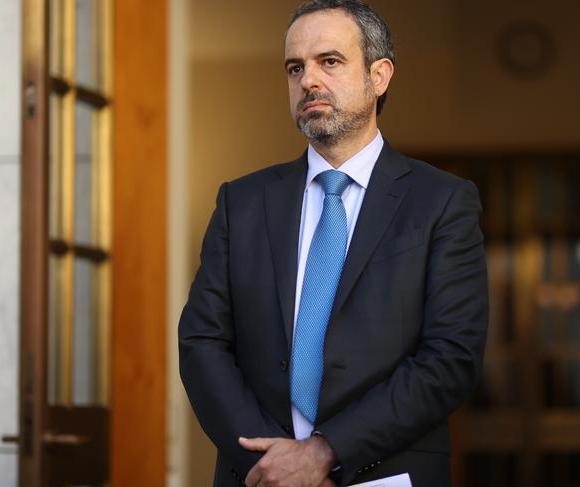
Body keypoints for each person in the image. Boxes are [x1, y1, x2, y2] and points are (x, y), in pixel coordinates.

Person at [178, 1, 488, 485]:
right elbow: (203, 343)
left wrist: (324, 453)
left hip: (386, 473)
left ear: (379, 75)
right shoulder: (241, 202)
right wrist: (273, 464)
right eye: (295, 67)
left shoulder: (441, 202)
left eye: (330, 61)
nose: (308, 80)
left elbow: (450, 358)